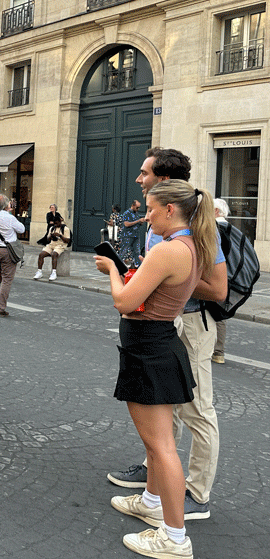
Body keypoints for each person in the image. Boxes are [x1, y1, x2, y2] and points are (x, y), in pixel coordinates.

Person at [96, 180, 218, 559]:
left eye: (150, 209)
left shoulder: (168, 250)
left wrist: (111, 270)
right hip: (158, 343)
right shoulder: (193, 245)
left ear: (170, 210)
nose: (146, 216)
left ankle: (175, 538)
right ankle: (151, 501)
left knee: (162, 447)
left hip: (149, 347)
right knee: (157, 443)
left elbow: (124, 300)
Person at [0, 194, 25, 317]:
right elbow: (22, 229)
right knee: (7, 279)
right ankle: (1, 308)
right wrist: (8, 213)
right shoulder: (9, 217)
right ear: (6, 205)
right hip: (7, 251)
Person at [211, 198, 230, 364]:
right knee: (220, 314)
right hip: (228, 276)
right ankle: (219, 352)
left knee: (215, 313)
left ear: (216, 212)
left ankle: (216, 351)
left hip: (217, 275)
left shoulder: (217, 229)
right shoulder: (231, 228)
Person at [33, 214, 70, 281]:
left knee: (54, 254)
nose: (55, 225)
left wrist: (60, 236)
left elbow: (67, 240)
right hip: (51, 244)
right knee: (41, 255)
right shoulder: (52, 228)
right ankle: (39, 272)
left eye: (56, 223)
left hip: (60, 245)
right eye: (54, 223)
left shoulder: (65, 229)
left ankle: (54, 272)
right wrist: (51, 237)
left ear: (60, 222)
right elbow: (47, 240)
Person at [119, 200, 146, 267]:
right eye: (137, 207)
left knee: (137, 252)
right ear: (133, 205)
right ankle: (118, 264)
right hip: (127, 235)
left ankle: (138, 265)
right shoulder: (126, 213)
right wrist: (138, 221)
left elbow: (137, 223)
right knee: (124, 251)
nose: (138, 209)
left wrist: (141, 222)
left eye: (139, 208)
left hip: (136, 235)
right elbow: (126, 224)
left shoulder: (136, 213)